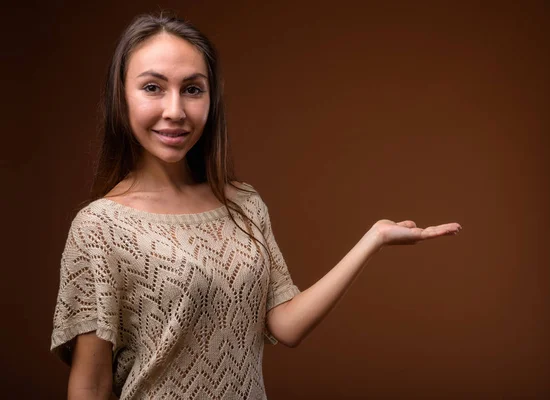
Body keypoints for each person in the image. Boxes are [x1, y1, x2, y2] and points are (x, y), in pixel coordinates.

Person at [50, 12, 462, 400]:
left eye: (192, 89)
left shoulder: (243, 204)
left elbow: (286, 325)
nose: (174, 111)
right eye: (153, 87)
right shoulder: (100, 226)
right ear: (121, 97)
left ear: (211, 101)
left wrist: (373, 239)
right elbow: (90, 383)